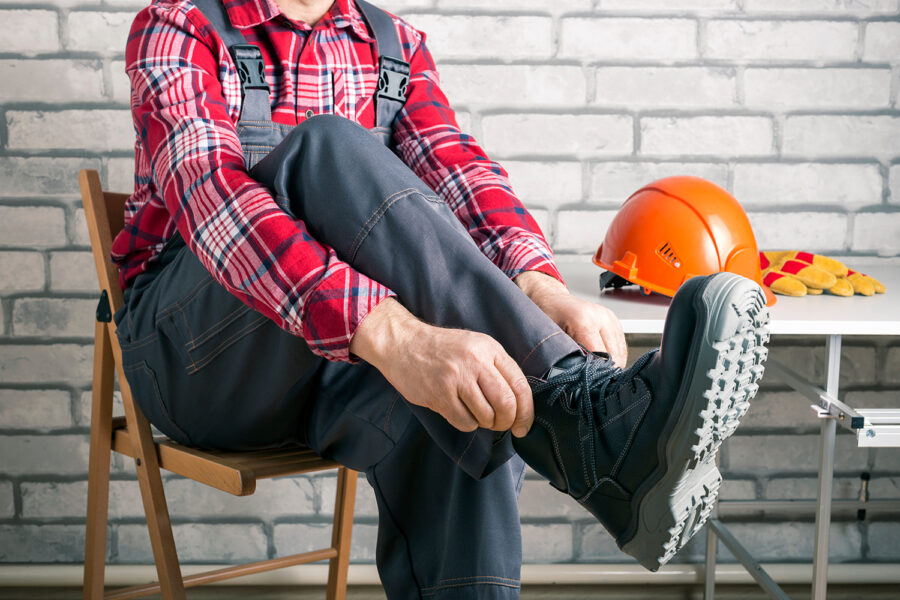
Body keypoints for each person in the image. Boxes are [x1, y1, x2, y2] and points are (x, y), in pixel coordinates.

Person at [112, 0, 770, 597]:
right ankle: (595, 423)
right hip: (196, 358)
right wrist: (398, 337)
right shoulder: (182, 25)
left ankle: (589, 429)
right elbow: (210, 203)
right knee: (327, 148)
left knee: (474, 394)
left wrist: (539, 286)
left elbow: (456, 169)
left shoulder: (390, 43)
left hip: (332, 367)